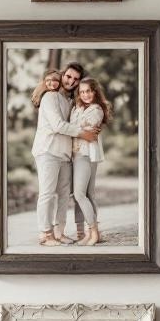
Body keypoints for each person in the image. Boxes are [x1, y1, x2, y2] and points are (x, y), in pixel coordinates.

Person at [30, 64, 98, 246]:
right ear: (62, 75)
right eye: (68, 76)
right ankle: (45, 234)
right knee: (47, 193)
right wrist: (84, 133)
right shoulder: (50, 97)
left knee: (62, 195)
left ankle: (59, 233)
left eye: (75, 79)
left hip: (64, 155)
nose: (71, 81)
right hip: (48, 151)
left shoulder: (69, 101)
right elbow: (58, 125)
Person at [70, 77, 112, 246]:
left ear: (95, 92)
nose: (85, 94)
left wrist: (75, 127)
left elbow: (85, 128)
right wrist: (77, 127)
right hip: (78, 154)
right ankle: (92, 233)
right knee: (88, 194)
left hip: (86, 154)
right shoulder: (78, 108)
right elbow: (78, 127)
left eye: (88, 91)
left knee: (79, 194)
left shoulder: (96, 109)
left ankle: (93, 231)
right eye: (82, 92)